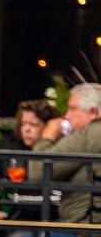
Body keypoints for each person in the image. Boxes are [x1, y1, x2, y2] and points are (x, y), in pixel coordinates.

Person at [29, 82, 101, 224]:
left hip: (85, 230)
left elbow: (38, 172)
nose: (67, 116)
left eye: (73, 108)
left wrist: (47, 137)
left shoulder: (90, 134)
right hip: (89, 227)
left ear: (93, 113)